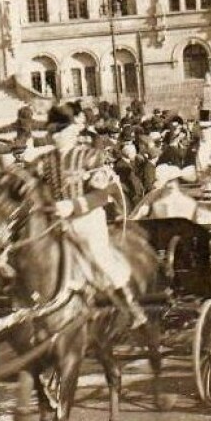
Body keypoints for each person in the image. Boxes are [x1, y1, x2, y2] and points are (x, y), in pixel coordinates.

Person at [40, 104, 147, 329]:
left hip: (86, 221)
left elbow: (102, 195)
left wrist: (72, 206)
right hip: (56, 224)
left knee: (99, 257)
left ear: (72, 130)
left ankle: (131, 306)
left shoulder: (89, 156)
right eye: (52, 131)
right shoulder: (45, 161)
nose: (55, 136)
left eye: (60, 130)